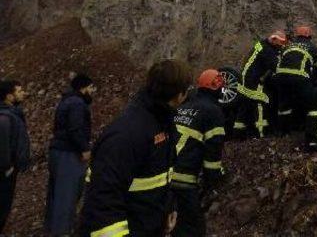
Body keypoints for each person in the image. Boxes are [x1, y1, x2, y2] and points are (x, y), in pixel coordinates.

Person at [79, 60, 192, 237]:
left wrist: (168, 209)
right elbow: (103, 202)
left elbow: (160, 177)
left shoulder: (163, 123)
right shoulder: (128, 134)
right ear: (180, 95)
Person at [172, 69, 226, 237]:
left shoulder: (184, 106)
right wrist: (213, 180)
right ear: (217, 87)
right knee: (193, 229)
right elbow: (213, 154)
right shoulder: (213, 112)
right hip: (183, 181)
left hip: (162, 178)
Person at [44, 73, 96, 237]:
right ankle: (62, 231)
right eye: (91, 87)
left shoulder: (68, 101)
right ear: (84, 88)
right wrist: (84, 149)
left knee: (57, 193)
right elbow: (75, 129)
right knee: (67, 194)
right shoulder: (77, 104)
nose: (93, 91)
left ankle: (53, 228)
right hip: (68, 154)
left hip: (59, 152)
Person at [274, 26, 317, 151]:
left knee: (284, 107)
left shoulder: (288, 46)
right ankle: (312, 142)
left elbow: (278, 61)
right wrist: (313, 80)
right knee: (314, 108)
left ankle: (283, 135)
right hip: (299, 77)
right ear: (308, 35)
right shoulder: (311, 47)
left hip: (281, 78)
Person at [233, 30, 287, 138]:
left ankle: (238, 133)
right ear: (273, 39)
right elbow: (276, 67)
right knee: (260, 103)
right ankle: (261, 133)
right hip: (254, 80)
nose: (282, 45)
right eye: (281, 42)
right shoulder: (267, 51)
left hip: (246, 77)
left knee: (245, 106)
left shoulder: (262, 44)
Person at [0, 80, 30, 234]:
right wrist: (8, 167)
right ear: (9, 96)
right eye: (19, 91)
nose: (23, 93)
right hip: (5, 172)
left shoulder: (12, 114)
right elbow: (3, 145)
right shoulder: (5, 117)